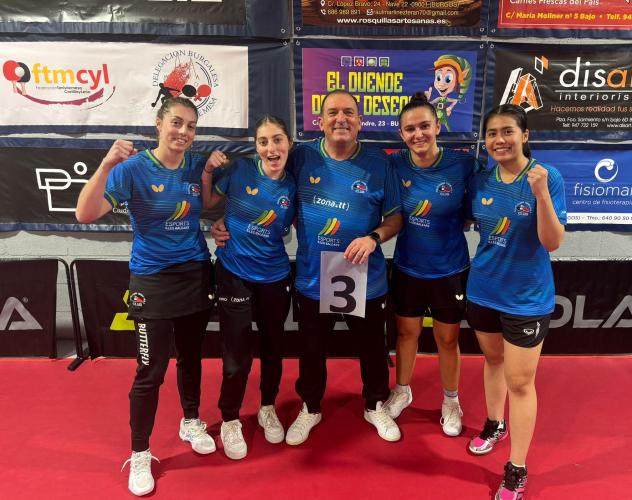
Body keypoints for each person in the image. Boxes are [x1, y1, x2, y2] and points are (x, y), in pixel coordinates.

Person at [213, 90, 403, 445]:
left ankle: (375, 404)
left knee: (372, 348)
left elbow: (395, 217)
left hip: (363, 273)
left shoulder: (380, 163)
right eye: (332, 112)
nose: (340, 119)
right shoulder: (300, 156)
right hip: (314, 275)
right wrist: (228, 221)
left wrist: (373, 238)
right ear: (320, 121)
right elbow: (263, 184)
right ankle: (311, 406)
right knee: (312, 349)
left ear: (360, 121)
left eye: (348, 112)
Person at [76, 97, 218, 497]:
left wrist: (221, 212)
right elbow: (85, 214)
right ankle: (140, 453)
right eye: (176, 123)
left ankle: (190, 421)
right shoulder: (132, 169)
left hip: (195, 273)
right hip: (152, 280)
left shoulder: (196, 165)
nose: (183, 132)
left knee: (191, 357)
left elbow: (210, 204)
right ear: (159, 123)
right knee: (150, 371)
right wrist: (106, 165)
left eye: (191, 126)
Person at [466, 104, 566, 500]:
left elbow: (552, 242)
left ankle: (517, 468)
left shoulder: (547, 177)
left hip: (526, 299)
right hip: (483, 290)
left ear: (524, 135)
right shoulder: (481, 180)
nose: (499, 140)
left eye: (507, 131)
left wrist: (540, 195)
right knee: (493, 361)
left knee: (521, 382)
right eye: (492, 133)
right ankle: (495, 424)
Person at [200, 115, 296, 459]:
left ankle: (267, 406)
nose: (271, 148)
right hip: (234, 272)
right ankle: (230, 418)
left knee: (273, 348)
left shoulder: (294, 184)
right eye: (263, 142)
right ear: (256, 147)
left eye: (277, 140)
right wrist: (207, 172)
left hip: (275, 276)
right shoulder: (240, 170)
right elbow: (208, 203)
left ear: (289, 144)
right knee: (237, 354)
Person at [382, 92, 476, 437]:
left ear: (437, 126)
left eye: (424, 126)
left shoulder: (463, 165)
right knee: (406, 333)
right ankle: (402, 390)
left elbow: (474, 212)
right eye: (410, 129)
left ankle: (451, 400)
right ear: (401, 134)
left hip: (450, 270)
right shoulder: (394, 165)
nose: (418, 134)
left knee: (447, 339)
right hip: (407, 268)